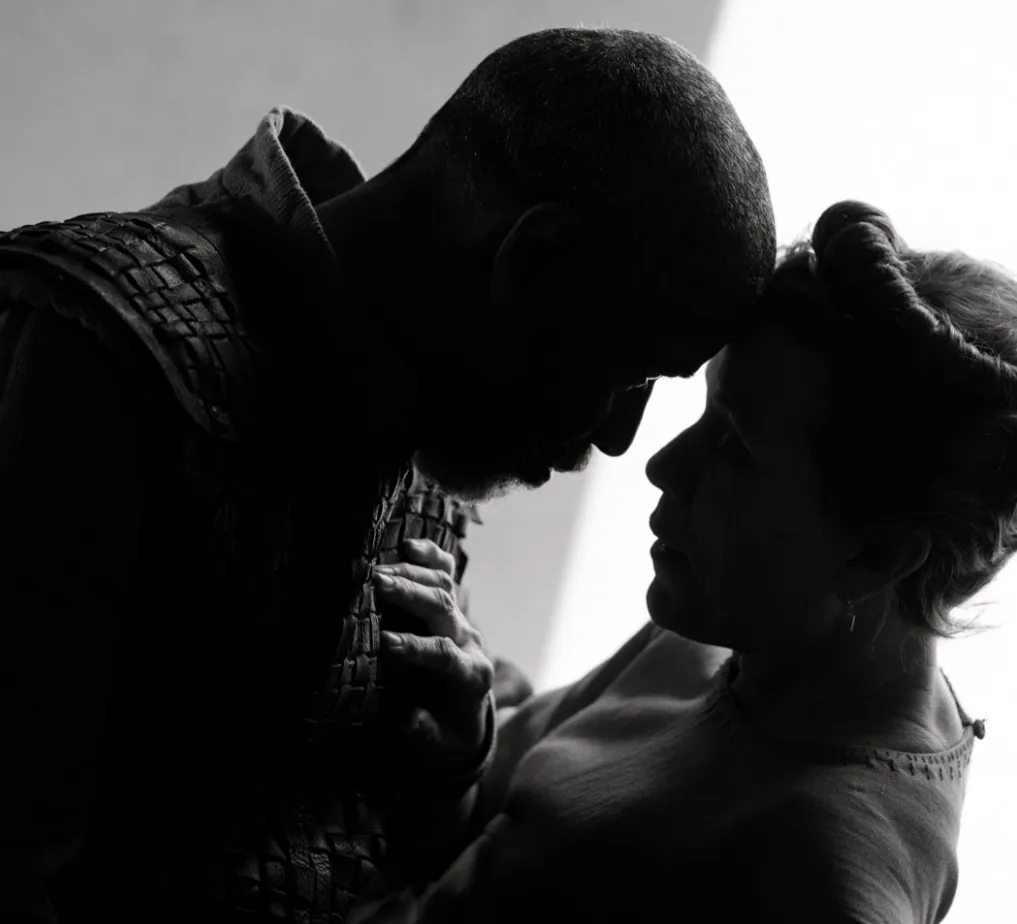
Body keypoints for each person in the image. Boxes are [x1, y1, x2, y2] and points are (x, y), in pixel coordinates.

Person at [0, 27, 775, 924]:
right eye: (628, 374)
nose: (616, 440)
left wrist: (450, 758)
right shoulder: (92, 357)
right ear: (532, 260)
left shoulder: (417, 424)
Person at [353, 200, 1012, 923]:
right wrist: (461, 745)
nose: (662, 465)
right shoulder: (740, 621)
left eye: (734, 445)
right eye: (705, 415)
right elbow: (494, 832)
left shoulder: (821, 882)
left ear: (879, 553)